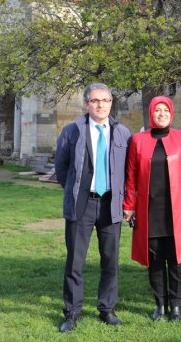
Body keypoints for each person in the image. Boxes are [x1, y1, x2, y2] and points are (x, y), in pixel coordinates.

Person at [55, 83, 131, 332]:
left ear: (111, 103)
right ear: (87, 104)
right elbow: (62, 168)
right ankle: (72, 312)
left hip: (111, 204)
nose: (101, 105)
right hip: (82, 204)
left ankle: (107, 309)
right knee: (75, 261)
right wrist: (77, 191)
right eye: (95, 100)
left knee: (110, 260)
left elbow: (129, 171)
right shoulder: (72, 130)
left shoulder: (122, 133)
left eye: (105, 100)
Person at [123, 96, 181, 322]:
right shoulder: (138, 140)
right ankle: (160, 304)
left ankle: (176, 306)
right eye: (157, 110)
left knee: (177, 259)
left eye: (166, 110)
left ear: (171, 113)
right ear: (151, 114)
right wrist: (129, 206)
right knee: (154, 259)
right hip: (150, 210)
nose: (162, 113)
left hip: (177, 210)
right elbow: (131, 176)